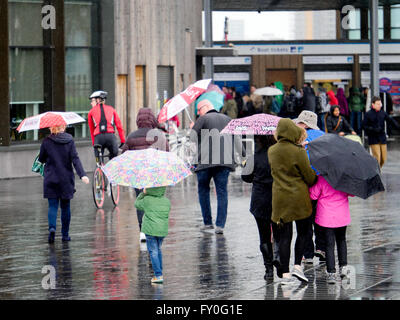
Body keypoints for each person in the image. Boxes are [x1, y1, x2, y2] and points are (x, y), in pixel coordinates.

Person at [268, 119, 317, 284]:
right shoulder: (299, 151)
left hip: (280, 199)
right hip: (299, 199)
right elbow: (310, 178)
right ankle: (297, 266)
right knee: (303, 232)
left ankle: (285, 274)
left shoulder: (272, 151)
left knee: (284, 237)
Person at [190, 99, 242, 234]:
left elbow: (192, 139)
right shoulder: (228, 119)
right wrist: (242, 155)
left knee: (203, 190)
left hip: (205, 162)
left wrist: (193, 127)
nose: (198, 113)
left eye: (199, 110)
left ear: (206, 107)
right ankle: (220, 225)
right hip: (224, 162)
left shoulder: (203, 119)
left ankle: (208, 223)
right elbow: (237, 140)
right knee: (222, 192)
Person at [122, 108, 169, 242]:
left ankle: (143, 231)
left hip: (139, 175)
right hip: (155, 175)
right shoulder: (158, 136)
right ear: (152, 119)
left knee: (141, 201)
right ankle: (155, 229)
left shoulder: (132, 136)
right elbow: (167, 153)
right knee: (155, 201)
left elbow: (124, 155)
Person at [38, 125, 90, 243]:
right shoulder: (69, 140)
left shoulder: (46, 141)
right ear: (63, 127)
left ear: (52, 128)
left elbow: (41, 159)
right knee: (65, 207)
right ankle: (65, 235)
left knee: (52, 206)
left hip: (51, 178)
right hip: (66, 179)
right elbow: (75, 159)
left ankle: (52, 228)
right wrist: (82, 175)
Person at [241, 135, 277, 280]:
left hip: (260, 201)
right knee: (279, 233)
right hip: (277, 199)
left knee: (264, 235)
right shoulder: (279, 155)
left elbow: (246, 177)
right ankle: (279, 259)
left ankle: (268, 269)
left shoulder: (254, 157)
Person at [294, 111, 326, 264]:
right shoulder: (324, 136)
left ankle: (307, 253)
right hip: (322, 182)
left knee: (305, 219)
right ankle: (322, 248)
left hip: (305, 184)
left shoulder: (301, 138)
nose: (297, 125)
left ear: (305, 125)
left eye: (299, 123)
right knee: (320, 217)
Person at [309, 175, 353, 284]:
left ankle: (331, 273)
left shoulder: (322, 178)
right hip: (342, 215)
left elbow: (313, 195)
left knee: (329, 244)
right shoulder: (344, 178)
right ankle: (343, 267)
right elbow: (351, 193)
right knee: (341, 241)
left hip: (326, 216)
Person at [135, 187, 171, 284]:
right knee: (158, 249)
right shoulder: (166, 201)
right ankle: (160, 271)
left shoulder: (147, 200)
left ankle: (158, 275)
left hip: (150, 230)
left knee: (153, 252)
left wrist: (142, 193)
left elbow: (137, 204)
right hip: (162, 230)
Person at [362, 96, 400, 168]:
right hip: (373, 138)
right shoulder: (368, 114)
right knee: (377, 158)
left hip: (382, 137)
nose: (380, 105)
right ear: (373, 105)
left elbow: (391, 121)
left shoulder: (383, 113)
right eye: (378, 104)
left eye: (380, 104)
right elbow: (364, 126)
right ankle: (377, 173)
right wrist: (373, 129)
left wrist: (398, 127)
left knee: (383, 159)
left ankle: (377, 170)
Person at [88, 90, 126, 160]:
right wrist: (123, 140)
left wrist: (94, 144)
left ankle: (99, 166)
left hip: (98, 138)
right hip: (110, 137)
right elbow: (119, 126)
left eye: (92, 101)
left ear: (98, 100)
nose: (91, 103)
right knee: (114, 158)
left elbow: (92, 130)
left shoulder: (91, 112)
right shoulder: (112, 109)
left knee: (98, 159)